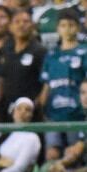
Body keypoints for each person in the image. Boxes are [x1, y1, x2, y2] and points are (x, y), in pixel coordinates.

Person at [39, 10, 86, 161]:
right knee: (52, 154)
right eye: (63, 25)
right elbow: (46, 85)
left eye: (71, 25)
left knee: (75, 155)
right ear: (58, 29)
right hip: (53, 113)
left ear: (78, 28)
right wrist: (42, 106)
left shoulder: (84, 51)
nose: (67, 29)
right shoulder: (52, 55)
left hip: (77, 114)